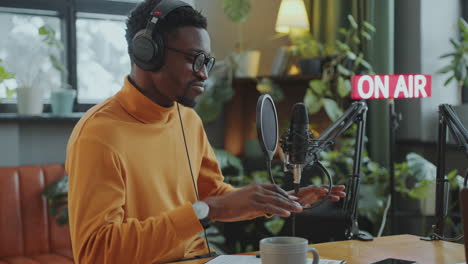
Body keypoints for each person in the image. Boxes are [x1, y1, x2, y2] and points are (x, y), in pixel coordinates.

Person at [65, 0, 346, 263]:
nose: (204, 74)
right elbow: (97, 252)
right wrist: (208, 210)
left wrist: (276, 200)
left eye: (207, 62)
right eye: (195, 59)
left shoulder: (187, 119)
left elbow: (215, 195)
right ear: (148, 53)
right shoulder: (99, 135)